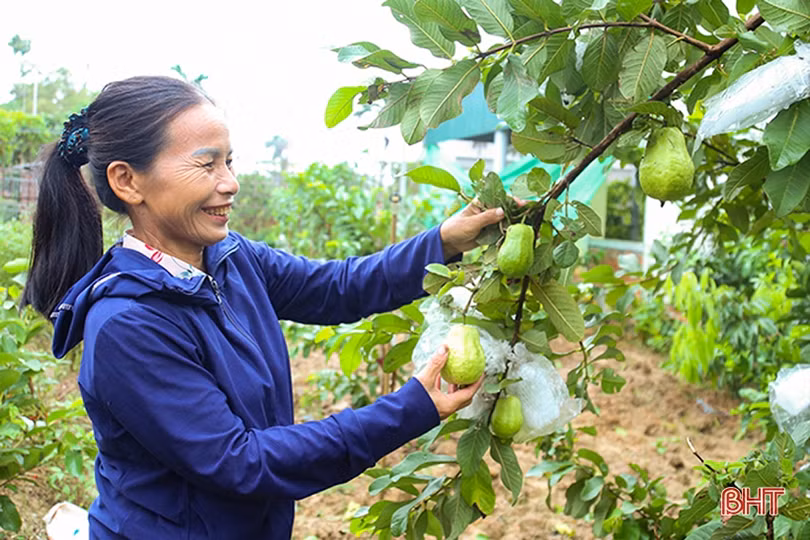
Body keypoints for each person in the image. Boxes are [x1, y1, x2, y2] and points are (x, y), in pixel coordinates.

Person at [23, 76, 506, 539]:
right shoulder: (128, 325)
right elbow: (240, 462)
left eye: (229, 162)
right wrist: (409, 408)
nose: (230, 183)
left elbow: (337, 288)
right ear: (128, 181)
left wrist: (443, 242)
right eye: (206, 164)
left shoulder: (232, 258)